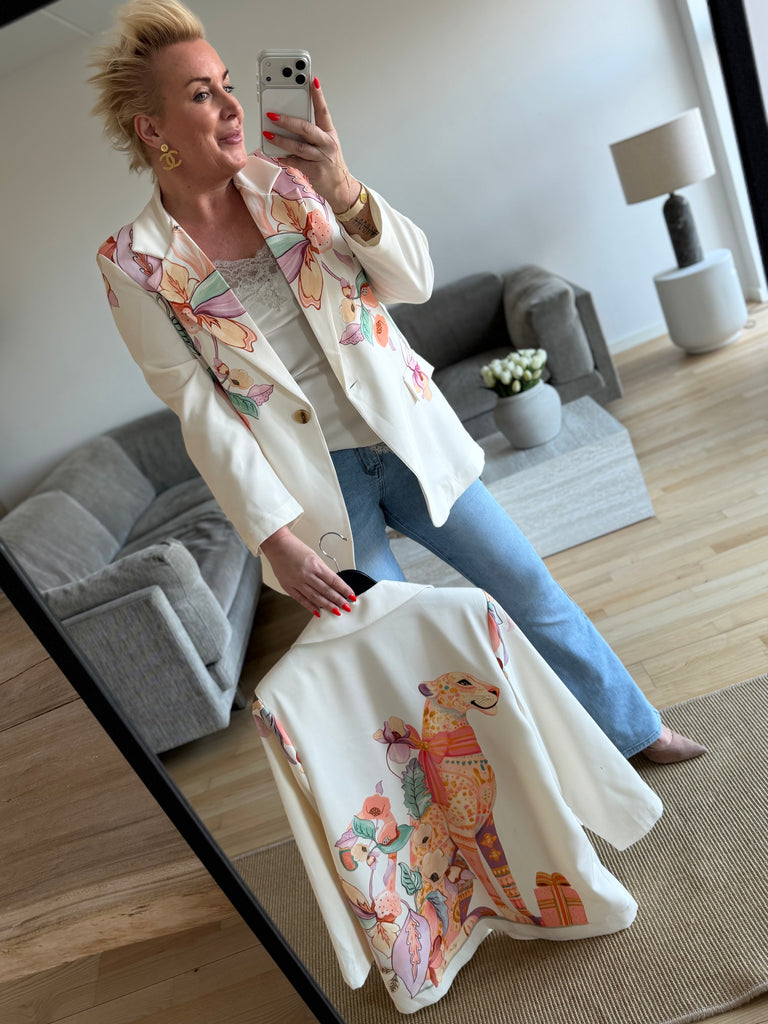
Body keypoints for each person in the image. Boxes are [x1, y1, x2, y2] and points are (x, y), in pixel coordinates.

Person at [89, 0, 703, 764]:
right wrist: (275, 540)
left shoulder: (291, 181)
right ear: (152, 130)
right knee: (412, 661)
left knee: (527, 588)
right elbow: (200, 411)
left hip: (407, 436)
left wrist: (341, 183)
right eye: (200, 93)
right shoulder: (136, 262)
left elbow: (414, 281)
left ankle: (636, 731)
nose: (231, 105)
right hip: (318, 489)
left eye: (226, 84)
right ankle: (517, 802)